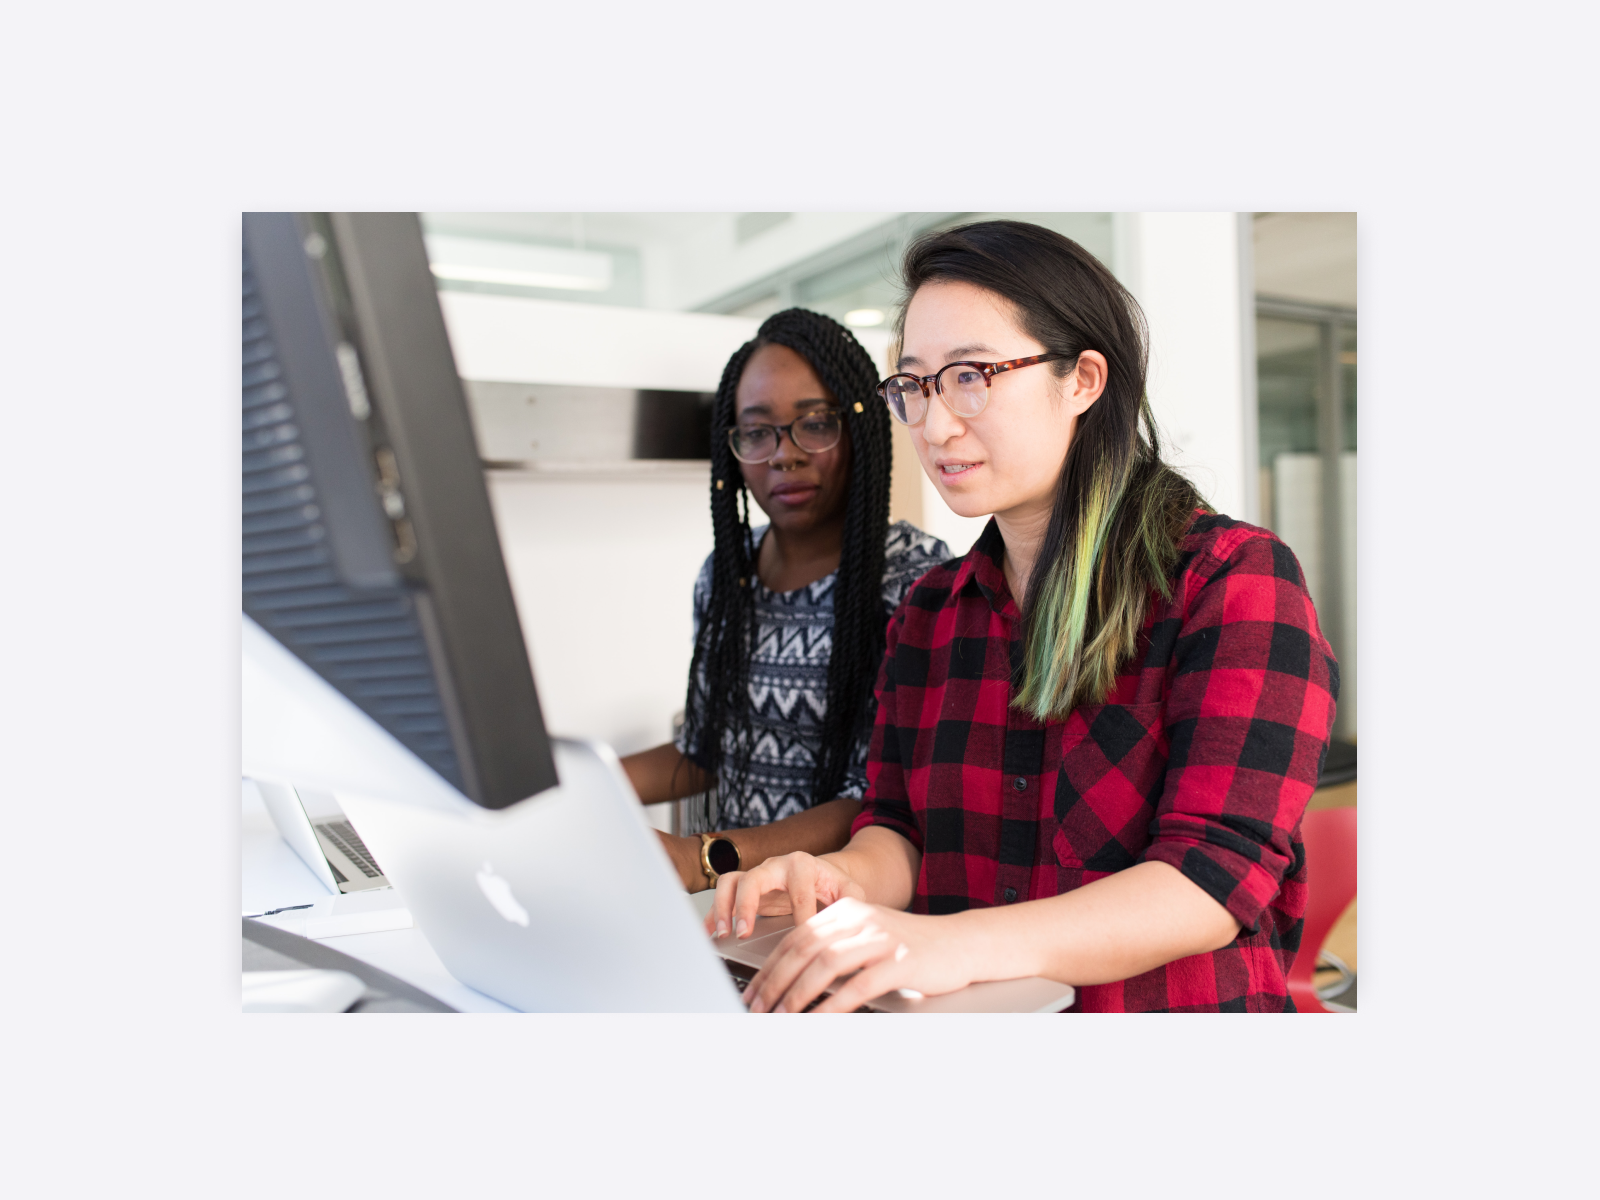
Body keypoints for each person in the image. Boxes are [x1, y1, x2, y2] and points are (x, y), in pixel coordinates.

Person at [708, 221, 1339, 1012]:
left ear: (1083, 381)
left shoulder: (1233, 582)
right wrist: (838, 878)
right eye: (916, 386)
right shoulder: (929, 612)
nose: (936, 425)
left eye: (970, 376)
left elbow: (1211, 879)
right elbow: (898, 830)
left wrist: (954, 943)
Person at [622, 308, 948, 893]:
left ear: (859, 428)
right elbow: (705, 751)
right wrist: (575, 785)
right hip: (737, 906)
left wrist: (704, 858)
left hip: (848, 904)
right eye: (757, 432)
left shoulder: (914, 579)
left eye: (815, 424)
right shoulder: (727, 574)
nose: (784, 454)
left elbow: (881, 798)